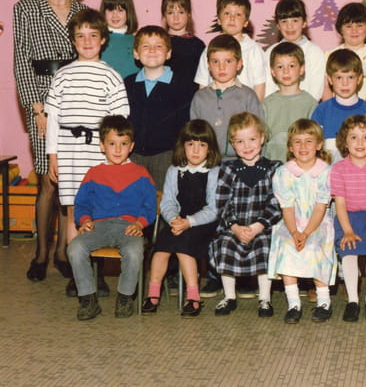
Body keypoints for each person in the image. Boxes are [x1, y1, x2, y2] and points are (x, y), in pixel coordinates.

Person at [13, 0, 88, 282]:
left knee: (70, 182)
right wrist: (37, 108)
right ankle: (41, 254)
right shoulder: (26, 8)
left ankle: (62, 252)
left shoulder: (83, 11)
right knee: (47, 180)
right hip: (41, 100)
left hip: (76, 100)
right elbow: (21, 60)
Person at [45, 9, 130, 296]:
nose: (87, 41)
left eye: (93, 35)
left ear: (103, 39)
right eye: (80, 36)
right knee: (73, 211)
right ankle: (77, 275)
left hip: (99, 152)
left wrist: (115, 156)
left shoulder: (111, 76)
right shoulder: (62, 76)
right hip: (69, 152)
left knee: (99, 212)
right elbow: (53, 120)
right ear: (73, 40)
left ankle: (98, 273)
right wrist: (53, 156)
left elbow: (120, 122)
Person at [66, 115, 157, 320]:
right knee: (75, 248)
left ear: (131, 146)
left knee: (134, 251)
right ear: (102, 146)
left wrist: (139, 223)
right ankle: (88, 299)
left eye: (123, 144)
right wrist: (85, 220)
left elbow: (150, 206)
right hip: (98, 226)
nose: (117, 149)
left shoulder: (141, 174)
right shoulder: (93, 173)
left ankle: (125, 298)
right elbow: (81, 204)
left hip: (129, 227)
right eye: (112, 143)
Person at [142, 119, 221, 317]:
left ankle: (193, 297)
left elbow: (213, 209)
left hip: (203, 224)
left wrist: (189, 222)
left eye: (202, 145)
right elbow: (167, 202)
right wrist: (173, 219)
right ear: (182, 146)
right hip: (178, 221)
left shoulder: (213, 172)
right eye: (191, 144)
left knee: (184, 248)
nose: (195, 150)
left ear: (210, 149)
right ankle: (153, 294)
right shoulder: (174, 170)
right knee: (161, 249)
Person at [209, 113, 283, 318]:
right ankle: (229, 296)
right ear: (233, 144)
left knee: (265, 245)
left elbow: (276, 203)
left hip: (263, 227)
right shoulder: (228, 169)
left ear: (262, 138)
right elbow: (222, 202)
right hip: (234, 226)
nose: (247, 146)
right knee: (224, 244)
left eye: (252, 139)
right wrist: (234, 227)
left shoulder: (274, 168)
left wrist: (258, 226)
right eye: (240, 141)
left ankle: (265, 298)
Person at [267, 119, 337, 323]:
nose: (303, 146)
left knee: (316, 246)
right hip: (292, 223)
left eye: (309, 141)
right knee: (287, 244)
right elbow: (287, 207)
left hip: (317, 223)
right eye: (297, 142)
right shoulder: (283, 173)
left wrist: (306, 233)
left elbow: (320, 207)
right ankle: (293, 303)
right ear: (290, 147)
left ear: (319, 145)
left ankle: (323, 302)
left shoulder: (326, 172)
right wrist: (295, 232)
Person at [330, 115, 366, 322]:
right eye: (353, 137)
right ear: (344, 142)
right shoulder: (338, 169)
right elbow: (340, 204)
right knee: (349, 251)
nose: (360, 142)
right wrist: (347, 230)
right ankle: (353, 300)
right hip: (348, 218)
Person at [125, 26, 195, 191]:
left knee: (164, 200)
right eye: (145, 46)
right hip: (133, 154)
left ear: (168, 53)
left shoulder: (183, 85)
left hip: (166, 156)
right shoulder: (128, 84)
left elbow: (185, 125)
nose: (152, 50)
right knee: (132, 198)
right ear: (136, 53)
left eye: (158, 46)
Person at [190, 34, 263, 158]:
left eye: (228, 61)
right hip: (208, 162)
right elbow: (194, 135)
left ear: (239, 64)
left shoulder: (248, 96)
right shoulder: (200, 97)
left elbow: (260, 132)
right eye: (215, 61)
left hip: (242, 161)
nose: (221, 67)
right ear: (208, 65)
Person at [194, 0, 267, 99]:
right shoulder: (211, 48)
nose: (232, 18)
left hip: (245, 107)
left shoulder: (254, 50)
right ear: (219, 20)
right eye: (227, 13)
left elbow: (260, 85)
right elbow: (203, 83)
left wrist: (254, 108)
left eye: (238, 14)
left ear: (246, 22)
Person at [312, 49, 366, 162]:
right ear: (330, 79)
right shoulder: (322, 110)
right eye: (339, 77)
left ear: (359, 79)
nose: (345, 83)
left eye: (351, 77)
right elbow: (313, 146)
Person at [262, 42, 318, 162]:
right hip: (272, 164)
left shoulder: (310, 103)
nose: (286, 71)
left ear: (301, 69)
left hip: (302, 165)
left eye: (291, 66)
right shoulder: (266, 104)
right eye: (280, 67)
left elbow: (315, 140)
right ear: (272, 71)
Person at [264, 0, 326, 100]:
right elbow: (268, 87)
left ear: (304, 22)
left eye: (295, 21)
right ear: (278, 25)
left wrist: (302, 106)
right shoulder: (271, 52)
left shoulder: (314, 52)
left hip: (305, 107)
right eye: (284, 21)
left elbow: (316, 89)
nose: (289, 26)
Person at [321, 2, 366, 104]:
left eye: (359, 26)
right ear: (340, 29)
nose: (354, 31)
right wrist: (331, 108)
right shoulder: (329, 55)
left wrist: (364, 111)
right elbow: (325, 86)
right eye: (349, 26)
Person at [161, 0, 205, 84]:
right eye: (170, 13)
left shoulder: (198, 45)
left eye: (181, 12)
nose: (176, 18)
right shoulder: (159, 42)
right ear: (164, 15)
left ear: (189, 14)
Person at [99, 0, 139, 79]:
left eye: (120, 10)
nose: (115, 15)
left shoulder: (137, 40)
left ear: (129, 13)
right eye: (110, 10)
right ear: (104, 12)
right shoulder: (97, 39)